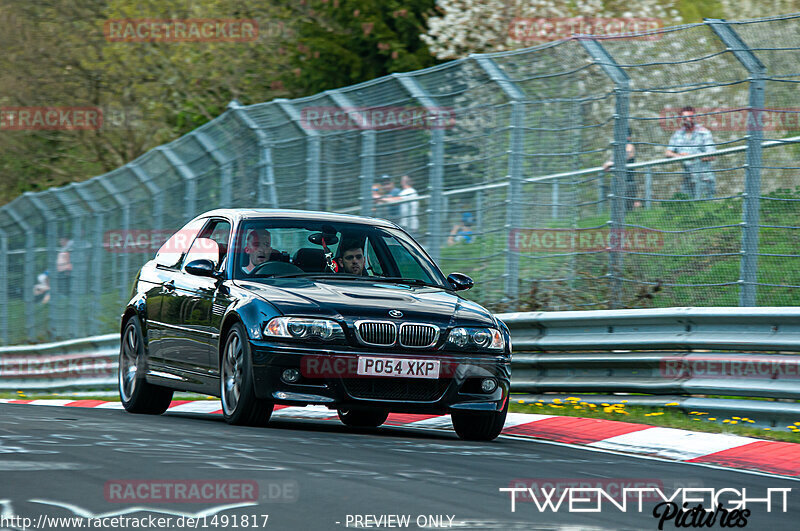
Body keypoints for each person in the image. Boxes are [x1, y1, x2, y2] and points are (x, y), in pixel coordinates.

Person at [665, 106, 716, 199]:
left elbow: (712, 155)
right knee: (686, 208)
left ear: (695, 117)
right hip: (687, 179)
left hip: (703, 178)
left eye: (691, 117)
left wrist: (692, 157)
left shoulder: (704, 133)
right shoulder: (678, 134)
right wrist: (679, 156)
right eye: (685, 118)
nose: (688, 120)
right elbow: (668, 153)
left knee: (704, 207)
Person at [602, 128, 638, 209]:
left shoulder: (629, 146)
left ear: (628, 137)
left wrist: (612, 163)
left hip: (628, 182)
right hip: (618, 181)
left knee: (627, 208)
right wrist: (608, 163)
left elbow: (626, 156)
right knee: (617, 208)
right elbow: (611, 159)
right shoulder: (618, 148)